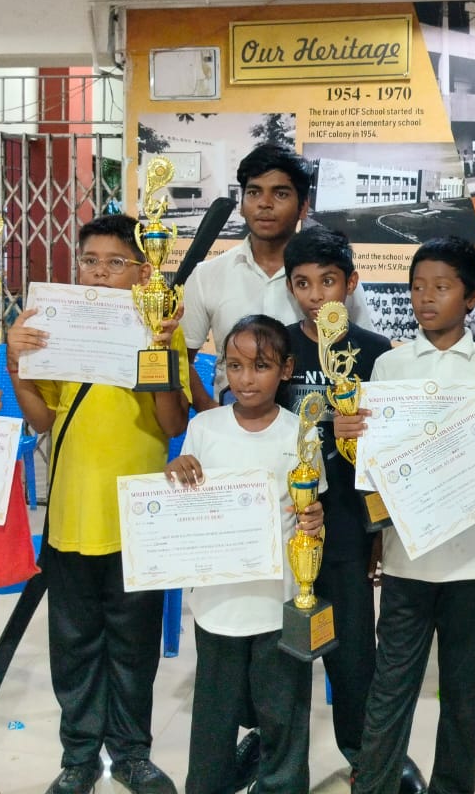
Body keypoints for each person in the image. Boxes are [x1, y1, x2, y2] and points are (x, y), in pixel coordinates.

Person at [335, 236, 475, 794]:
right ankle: (373, 785)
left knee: (463, 692)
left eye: (441, 287)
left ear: (471, 298)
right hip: (409, 558)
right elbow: (375, 463)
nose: (425, 298)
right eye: (417, 287)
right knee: (391, 685)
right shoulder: (390, 365)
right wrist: (351, 434)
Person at [4, 214, 190, 794]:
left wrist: (158, 356)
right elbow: (42, 419)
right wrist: (17, 364)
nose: (101, 273)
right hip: (71, 515)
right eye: (90, 261)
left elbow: (173, 422)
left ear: (143, 272)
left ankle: (131, 753)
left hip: (138, 517)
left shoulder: (161, 326)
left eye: (116, 263)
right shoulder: (55, 325)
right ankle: (79, 755)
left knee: (134, 644)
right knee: (75, 644)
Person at [276, 226, 428, 792]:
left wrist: (377, 532)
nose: (316, 295)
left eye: (328, 281)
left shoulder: (375, 352)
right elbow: (251, 413)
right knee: (279, 651)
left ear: (351, 283)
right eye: (303, 283)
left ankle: (367, 754)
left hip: (345, 524)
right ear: (290, 288)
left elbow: (392, 447)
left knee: (354, 651)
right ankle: (277, 760)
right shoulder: (276, 346)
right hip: (284, 521)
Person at [165, 316, 323, 794]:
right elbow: (184, 501)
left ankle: (281, 785)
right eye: (234, 366)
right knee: (213, 717)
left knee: (283, 713)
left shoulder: (301, 433)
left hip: (279, 603)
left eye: (261, 366)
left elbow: (311, 510)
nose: (246, 378)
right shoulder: (204, 428)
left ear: (286, 369)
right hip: (218, 605)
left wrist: (315, 519)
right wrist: (176, 472)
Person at [180, 143, 372, 412]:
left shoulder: (333, 279)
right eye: (254, 192)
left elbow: (365, 351)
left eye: (280, 193)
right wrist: (210, 412)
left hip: (319, 426)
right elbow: (181, 359)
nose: (265, 203)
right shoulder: (206, 275)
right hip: (236, 428)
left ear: (303, 206)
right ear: (242, 205)